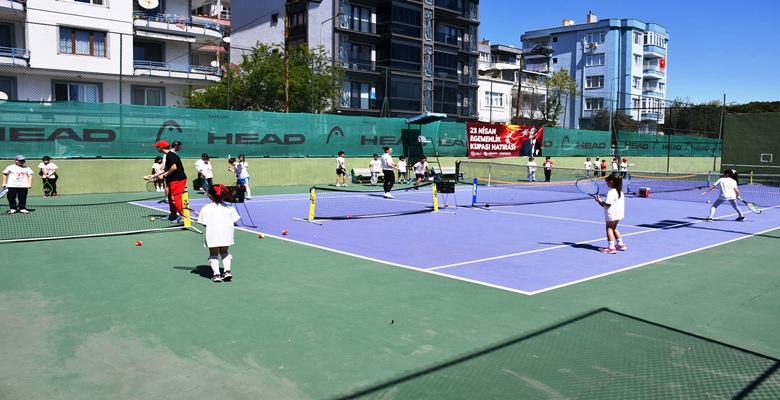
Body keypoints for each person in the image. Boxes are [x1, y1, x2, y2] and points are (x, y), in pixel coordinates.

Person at [197, 184, 241, 283]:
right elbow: (235, 221)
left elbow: (204, 224)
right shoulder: (229, 207)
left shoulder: (206, 208)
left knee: (213, 254)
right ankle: (227, 271)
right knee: (224, 252)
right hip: (227, 233)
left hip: (213, 233)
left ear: (210, 195)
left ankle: (216, 274)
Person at [153, 140, 187, 224]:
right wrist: (154, 175)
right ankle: (173, 215)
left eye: (157, 147)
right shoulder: (168, 155)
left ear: (161, 147)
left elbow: (174, 167)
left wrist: (164, 176)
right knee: (170, 198)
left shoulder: (171, 155)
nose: (157, 148)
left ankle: (183, 217)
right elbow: (167, 169)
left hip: (178, 179)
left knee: (176, 198)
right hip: (172, 180)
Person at [594, 174, 627, 254]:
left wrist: (600, 201)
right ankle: (620, 244)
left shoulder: (611, 192)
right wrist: (600, 202)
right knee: (614, 228)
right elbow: (606, 204)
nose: (607, 184)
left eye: (607, 182)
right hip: (618, 213)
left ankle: (611, 248)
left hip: (611, 213)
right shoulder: (620, 191)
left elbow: (608, 204)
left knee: (609, 228)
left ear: (611, 182)